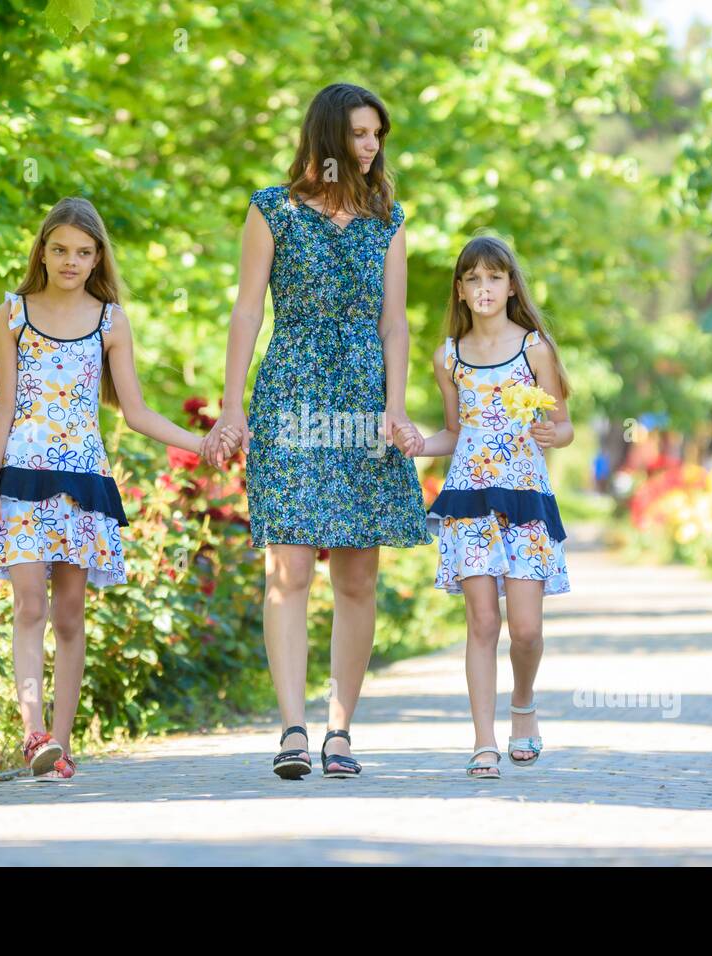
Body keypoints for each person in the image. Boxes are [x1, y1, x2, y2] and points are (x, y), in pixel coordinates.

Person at [201, 84, 430, 779]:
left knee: (358, 573)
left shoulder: (387, 219)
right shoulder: (271, 210)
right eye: (360, 134)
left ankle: (340, 731)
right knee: (289, 568)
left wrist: (395, 406)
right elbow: (247, 314)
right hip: (292, 393)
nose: (371, 147)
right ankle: (293, 728)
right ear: (329, 137)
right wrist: (231, 405)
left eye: (378, 136)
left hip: (363, 400)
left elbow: (396, 323)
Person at [0, 197, 239, 779]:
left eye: (84, 252)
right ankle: (32, 733)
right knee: (29, 604)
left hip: (84, 483)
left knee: (69, 614)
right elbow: (3, 402)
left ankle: (60, 747)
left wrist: (205, 443)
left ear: (98, 259)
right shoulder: (13, 314)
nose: (71, 261)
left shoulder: (110, 321)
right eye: (60, 249)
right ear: (42, 251)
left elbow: (137, 412)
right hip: (20, 477)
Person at [393, 235, 573, 779]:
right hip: (469, 499)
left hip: (525, 500)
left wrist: (551, 431)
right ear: (461, 290)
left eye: (494, 277)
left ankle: (523, 705)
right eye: (473, 279)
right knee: (482, 621)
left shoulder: (535, 346)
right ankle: (483, 741)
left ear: (510, 285)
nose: (484, 287)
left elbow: (564, 426)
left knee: (526, 631)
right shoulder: (447, 357)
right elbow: (454, 431)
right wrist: (419, 444)